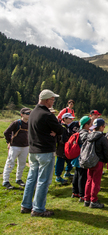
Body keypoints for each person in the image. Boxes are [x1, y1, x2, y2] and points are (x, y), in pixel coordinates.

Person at [21, 89, 65, 217]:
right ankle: (38, 209)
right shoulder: (47, 115)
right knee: (43, 181)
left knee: (31, 178)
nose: (53, 102)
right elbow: (60, 129)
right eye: (52, 100)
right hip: (45, 151)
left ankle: (26, 205)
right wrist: (56, 131)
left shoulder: (33, 112)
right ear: (47, 100)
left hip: (33, 151)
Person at [3, 107, 31, 189]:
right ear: (22, 114)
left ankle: (18, 179)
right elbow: (6, 132)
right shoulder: (16, 123)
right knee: (10, 163)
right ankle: (5, 181)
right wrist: (9, 142)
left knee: (22, 164)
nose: (29, 115)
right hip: (15, 147)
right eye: (27, 113)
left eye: (30, 113)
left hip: (25, 147)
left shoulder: (29, 124)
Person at [84, 118, 108, 209]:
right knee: (96, 181)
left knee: (89, 180)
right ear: (102, 127)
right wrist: (106, 161)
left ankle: (86, 199)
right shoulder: (102, 138)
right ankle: (93, 200)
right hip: (98, 161)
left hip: (89, 160)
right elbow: (106, 151)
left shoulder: (89, 136)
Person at [55, 113, 79, 184]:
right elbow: (63, 139)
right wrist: (70, 141)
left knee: (69, 161)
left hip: (66, 148)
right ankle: (58, 177)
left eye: (72, 118)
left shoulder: (68, 127)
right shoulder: (62, 127)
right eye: (69, 118)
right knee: (60, 162)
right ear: (64, 119)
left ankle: (67, 173)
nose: (71, 120)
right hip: (61, 149)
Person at [71, 116, 91, 202]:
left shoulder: (78, 132)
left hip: (76, 157)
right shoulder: (85, 134)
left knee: (77, 174)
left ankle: (75, 192)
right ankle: (82, 195)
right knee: (82, 176)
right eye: (90, 124)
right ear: (86, 125)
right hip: (82, 157)